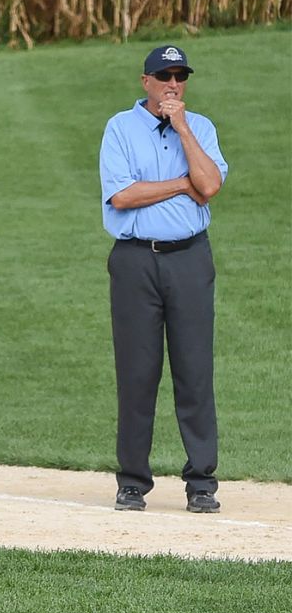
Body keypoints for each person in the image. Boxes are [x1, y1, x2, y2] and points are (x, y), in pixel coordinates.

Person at [100, 43, 227, 513]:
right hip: (135, 262)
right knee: (137, 373)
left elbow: (210, 185)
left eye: (180, 76)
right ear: (146, 82)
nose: (174, 84)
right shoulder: (119, 128)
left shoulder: (202, 129)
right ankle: (133, 481)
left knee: (195, 371)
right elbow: (123, 197)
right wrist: (180, 184)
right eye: (164, 76)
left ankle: (201, 484)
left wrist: (182, 128)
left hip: (190, 259)